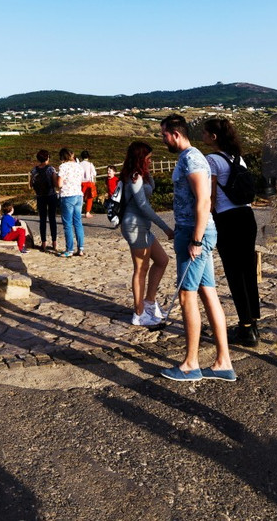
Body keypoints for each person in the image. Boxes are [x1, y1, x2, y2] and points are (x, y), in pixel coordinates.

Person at [159, 114, 235, 382]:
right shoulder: (190, 157)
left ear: (175, 134)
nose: (163, 139)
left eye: (164, 134)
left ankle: (190, 364)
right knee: (208, 293)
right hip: (194, 232)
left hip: (193, 234)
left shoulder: (191, 158)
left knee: (187, 297)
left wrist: (195, 240)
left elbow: (204, 201)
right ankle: (223, 362)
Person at [203, 117, 260, 347]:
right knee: (248, 271)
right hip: (247, 217)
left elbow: (212, 196)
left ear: (214, 137)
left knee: (234, 273)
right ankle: (253, 323)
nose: (203, 136)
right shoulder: (239, 158)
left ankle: (245, 329)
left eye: (206, 133)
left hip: (227, 219)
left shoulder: (211, 160)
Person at [119, 141, 174, 326]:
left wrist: (148, 173)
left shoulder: (139, 175)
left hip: (143, 227)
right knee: (140, 269)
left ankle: (149, 302)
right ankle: (139, 313)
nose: (151, 162)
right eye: (148, 158)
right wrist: (165, 227)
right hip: (135, 226)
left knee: (162, 260)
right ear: (141, 158)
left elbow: (152, 188)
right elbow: (143, 206)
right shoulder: (135, 177)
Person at [57, 148, 85, 257]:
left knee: (67, 224)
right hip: (78, 194)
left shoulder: (63, 167)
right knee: (78, 222)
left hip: (67, 195)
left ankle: (69, 250)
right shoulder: (79, 166)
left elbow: (59, 184)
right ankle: (81, 248)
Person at [29, 149, 58, 253]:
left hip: (40, 197)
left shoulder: (34, 170)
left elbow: (31, 184)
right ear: (48, 158)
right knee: (52, 220)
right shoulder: (51, 169)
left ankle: (43, 243)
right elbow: (55, 183)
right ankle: (54, 242)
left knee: (42, 220)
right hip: (51, 196)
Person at [79, 150, 98, 217]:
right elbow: (94, 173)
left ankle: (78, 211)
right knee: (89, 198)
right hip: (89, 183)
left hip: (80, 183)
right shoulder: (90, 164)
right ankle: (87, 212)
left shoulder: (79, 164)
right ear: (88, 157)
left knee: (80, 198)